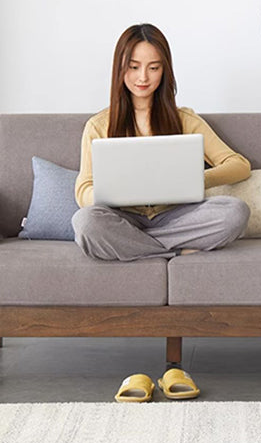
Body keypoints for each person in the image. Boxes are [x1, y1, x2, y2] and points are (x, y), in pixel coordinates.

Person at [72, 23, 251, 264]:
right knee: (85, 223)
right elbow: (83, 188)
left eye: (154, 68)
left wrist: (196, 179)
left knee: (235, 212)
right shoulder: (98, 125)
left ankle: (134, 247)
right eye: (134, 67)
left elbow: (239, 165)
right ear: (120, 68)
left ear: (165, 70)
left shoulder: (184, 119)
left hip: (175, 217)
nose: (143, 77)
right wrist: (109, 194)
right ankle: (174, 252)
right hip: (123, 219)